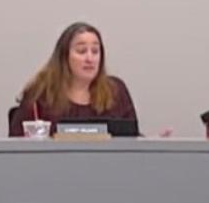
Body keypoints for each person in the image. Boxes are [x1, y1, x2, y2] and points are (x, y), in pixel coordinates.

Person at [9, 22, 137, 136]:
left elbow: (133, 142)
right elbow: (16, 149)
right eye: (81, 51)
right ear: (64, 57)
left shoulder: (115, 91)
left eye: (95, 51)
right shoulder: (40, 94)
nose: (90, 58)